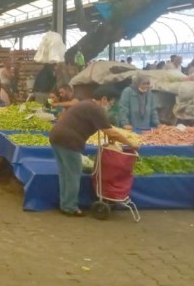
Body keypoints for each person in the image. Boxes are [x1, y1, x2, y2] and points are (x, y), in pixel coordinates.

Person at [49, 86, 139, 216]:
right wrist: (131, 143)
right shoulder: (96, 109)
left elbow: (104, 129)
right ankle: (70, 207)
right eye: (111, 102)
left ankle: (65, 204)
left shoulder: (87, 104)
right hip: (69, 141)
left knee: (65, 173)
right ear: (104, 99)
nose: (110, 105)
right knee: (73, 174)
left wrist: (111, 140)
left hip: (57, 137)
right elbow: (110, 131)